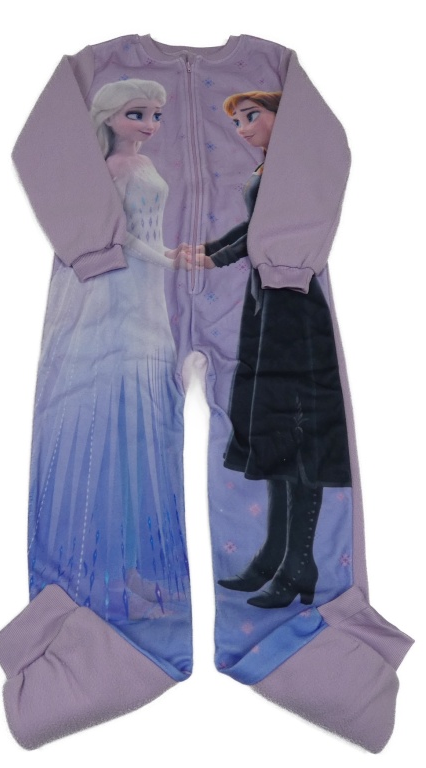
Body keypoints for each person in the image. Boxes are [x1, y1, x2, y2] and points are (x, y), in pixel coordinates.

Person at [27, 79, 191, 624]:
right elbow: (124, 238)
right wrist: (169, 259)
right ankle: (105, 578)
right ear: (109, 117)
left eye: (156, 115)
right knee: (117, 430)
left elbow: (146, 230)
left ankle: (129, 569)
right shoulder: (114, 169)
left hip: (145, 294)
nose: (150, 125)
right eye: (137, 114)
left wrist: (168, 255)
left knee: (141, 433)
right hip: (115, 289)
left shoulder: (139, 164)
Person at [203, 91, 352, 608]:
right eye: (237, 121)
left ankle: (299, 563)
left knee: (298, 430)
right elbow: (257, 229)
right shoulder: (270, 168)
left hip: (294, 305)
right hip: (267, 305)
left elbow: (278, 227)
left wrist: (224, 256)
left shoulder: (298, 163)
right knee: (273, 431)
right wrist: (213, 255)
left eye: (252, 116)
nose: (242, 128)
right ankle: (274, 556)